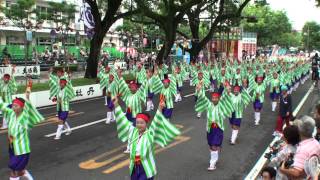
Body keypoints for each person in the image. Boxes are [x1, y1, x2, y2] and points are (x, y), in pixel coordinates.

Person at [113, 97, 180, 180]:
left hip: (145, 167)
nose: (139, 125)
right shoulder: (133, 131)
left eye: (142, 123)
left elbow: (156, 121)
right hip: (134, 166)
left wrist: (160, 108)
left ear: (146, 123)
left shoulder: (150, 134)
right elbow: (123, 120)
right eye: (137, 122)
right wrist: (116, 105)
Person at [0, 93, 44, 180]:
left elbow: (29, 110)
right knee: (14, 170)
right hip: (12, 146)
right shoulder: (11, 113)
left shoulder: (24, 118)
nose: (14, 107)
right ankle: (23, 172)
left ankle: (22, 172)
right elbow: (2, 106)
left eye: (16, 106)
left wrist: (27, 98)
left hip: (22, 150)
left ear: (22, 107)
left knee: (14, 168)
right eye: (13, 106)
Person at [195, 91, 233, 170]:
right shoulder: (209, 105)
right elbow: (203, 98)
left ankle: (212, 163)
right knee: (211, 145)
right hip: (210, 128)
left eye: (216, 98)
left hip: (218, 128)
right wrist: (199, 91)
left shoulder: (221, 105)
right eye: (213, 98)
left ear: (218, 99)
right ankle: (216, 153)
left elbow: (225, 98)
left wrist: (228, 92)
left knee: (214, 145)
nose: (214, 99)